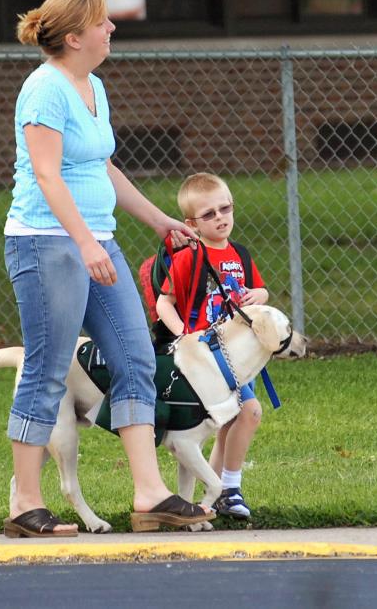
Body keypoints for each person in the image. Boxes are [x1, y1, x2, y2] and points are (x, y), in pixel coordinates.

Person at [4, 0, 214, 537]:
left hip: (97, 241)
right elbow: (48, 175)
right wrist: (86, 243)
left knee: (137, 359)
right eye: (102, 22)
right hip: (46, 243)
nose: (111, 28)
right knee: (48, 368)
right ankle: (25, 504)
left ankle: (150, 495)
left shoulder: (92, 84)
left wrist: (158, 219)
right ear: (75, 37)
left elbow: (102, 167)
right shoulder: (44, 89)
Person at [155, 172, 269, 520]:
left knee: (232, 421)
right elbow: (164, 303)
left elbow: (260, 291)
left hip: (233, 360)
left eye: (225, 208)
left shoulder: (240, 254)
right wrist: (183, 335)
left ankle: (219, 490)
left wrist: (258, 295)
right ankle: (228, 488)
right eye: (209, 214)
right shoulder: (191, 257)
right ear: (192, 224)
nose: (220, 217)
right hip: (205, 361)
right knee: (247, 413)